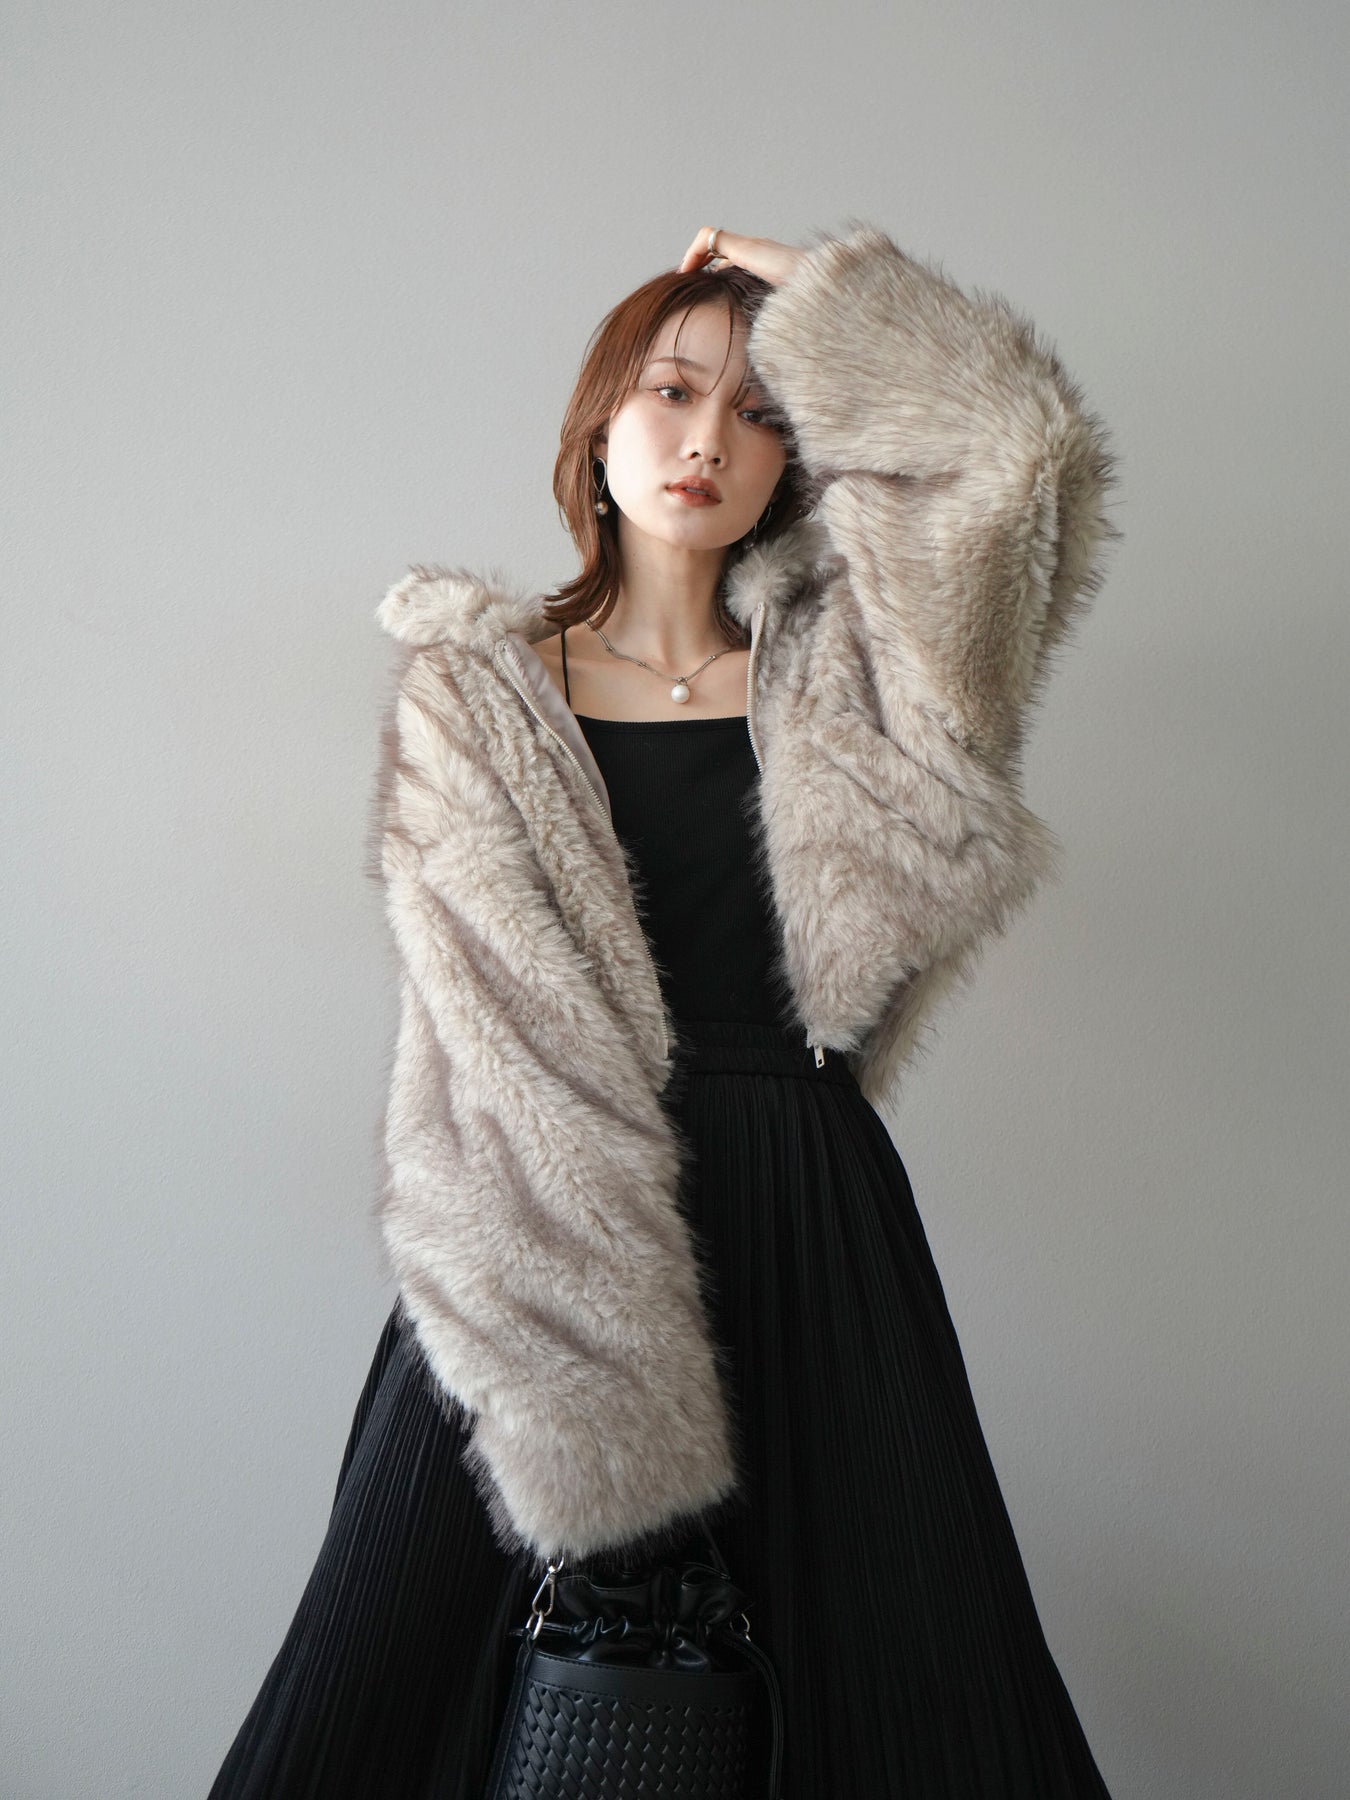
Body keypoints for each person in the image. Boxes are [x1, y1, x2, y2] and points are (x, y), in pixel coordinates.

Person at [210, 222, 1117, 1798]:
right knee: (384, 1701)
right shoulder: (481, 693)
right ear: (598, 425)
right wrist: (600, 1394)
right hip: (538, 1229)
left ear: (802, 457)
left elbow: (1016, 456)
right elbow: (504, 1038)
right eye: (672, 391)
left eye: (763, 412)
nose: (708, 441)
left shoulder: (863, 683)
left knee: (910, 1694)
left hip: (810, 1218)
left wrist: (822, 288)